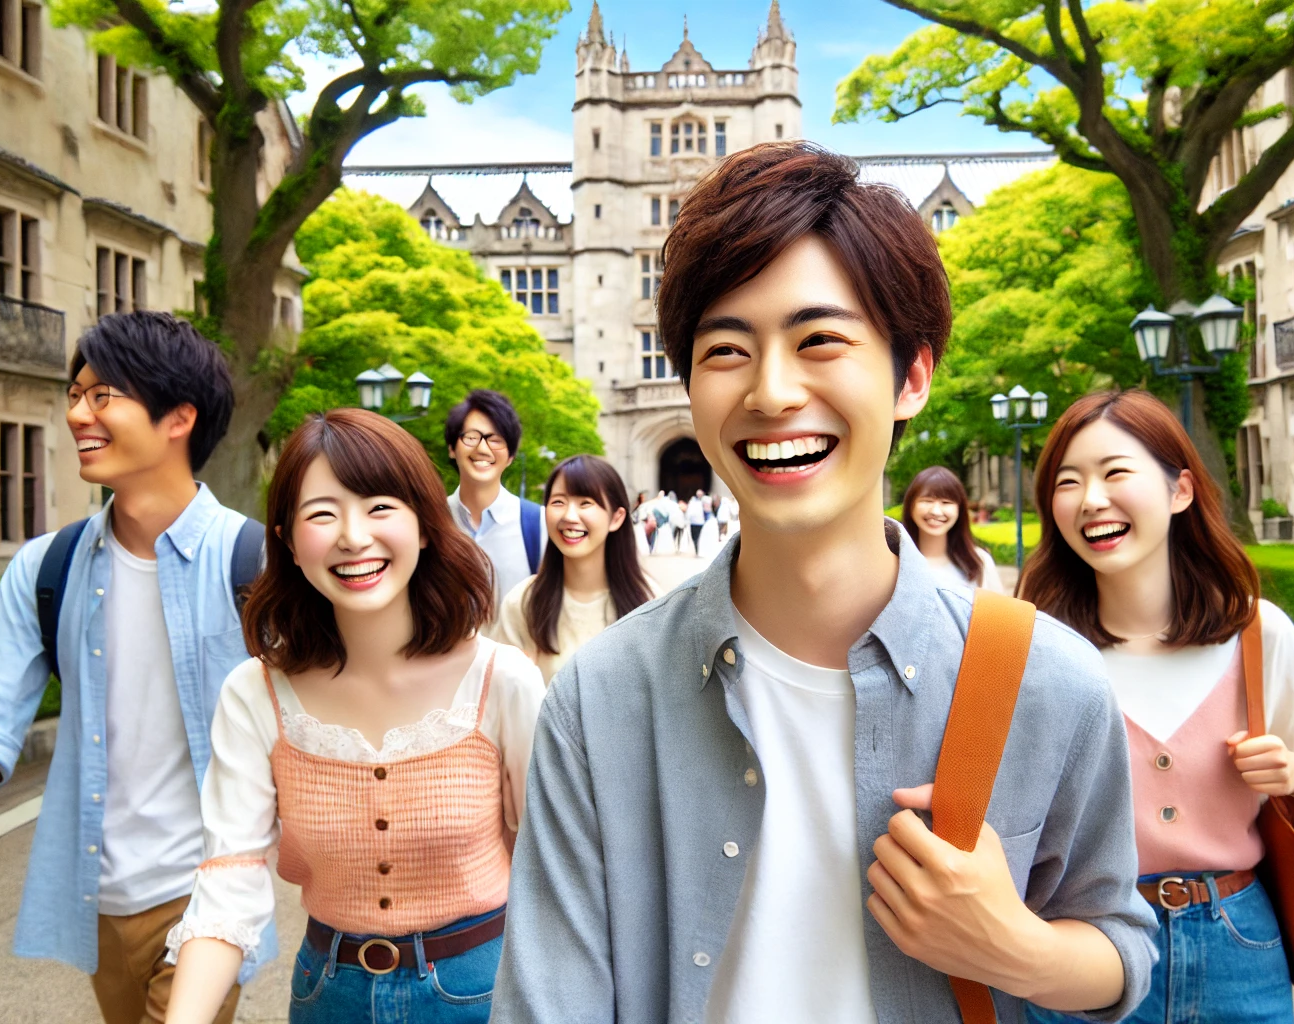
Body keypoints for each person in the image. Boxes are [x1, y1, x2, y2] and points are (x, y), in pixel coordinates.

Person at [492, 141, 1154, 1024]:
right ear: (687, 383)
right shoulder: (598, 699)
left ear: (911, 375)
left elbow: (1120, 945)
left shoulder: (1048, 678)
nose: (772, 392)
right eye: (726, 349)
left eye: (821, 340)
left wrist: (1015, 948)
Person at [0, 312, 261, 1024]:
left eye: (103, 394)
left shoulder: (256, 565)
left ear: (179, 417)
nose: (78, 413)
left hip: (210, 891)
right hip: (101, 895)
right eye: (75, 394)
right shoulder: (45, 568)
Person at [162, 408, 545, 1024]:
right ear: (286, 539)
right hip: (327, 995)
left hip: (484, 988)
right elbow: (229, 877)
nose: (352, 535)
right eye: (322, 513)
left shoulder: (502, 681)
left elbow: (550, 863)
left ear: (425, 525)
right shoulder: (255, 693)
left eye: (379, 506)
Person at [1019, 390, 1294, 1024]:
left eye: (1115, 472)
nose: (1091, 500)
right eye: (1068, 481)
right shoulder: (1033, 648)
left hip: (1238, 942)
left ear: (1180, 491)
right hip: (1083, 946)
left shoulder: (1257, 633)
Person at [491, 455, 656, 682]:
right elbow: (500, 695)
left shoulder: (651, 603)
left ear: (616, 518)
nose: (569, 516)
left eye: (585, 503)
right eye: (558, 502)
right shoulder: (523, 602)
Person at [445, 389, 546, 602]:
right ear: (452, 449)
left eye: (496, 439)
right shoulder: (430, 521)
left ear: (510, 456)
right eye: (471, 437)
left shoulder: (539, 525)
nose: (482, 448)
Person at [901, 466, 1005, 595]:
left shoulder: (979, 561)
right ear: (910, 506)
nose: (936, 511)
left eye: (946, 502)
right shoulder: (894, 562)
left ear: (960, 510)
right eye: (927, 501)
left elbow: (999, 613)